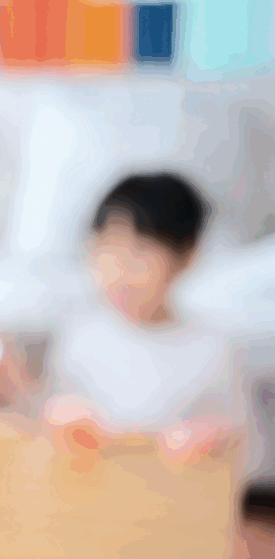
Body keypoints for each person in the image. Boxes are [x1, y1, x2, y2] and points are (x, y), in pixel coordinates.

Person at [44, 173, 240, 466]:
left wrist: (211, 439)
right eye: (108, 249)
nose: (120, 270)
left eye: (140, 253)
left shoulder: (210, 351)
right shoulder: (78, 332)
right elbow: (44, 417)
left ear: (186, 256)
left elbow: (230, 438)